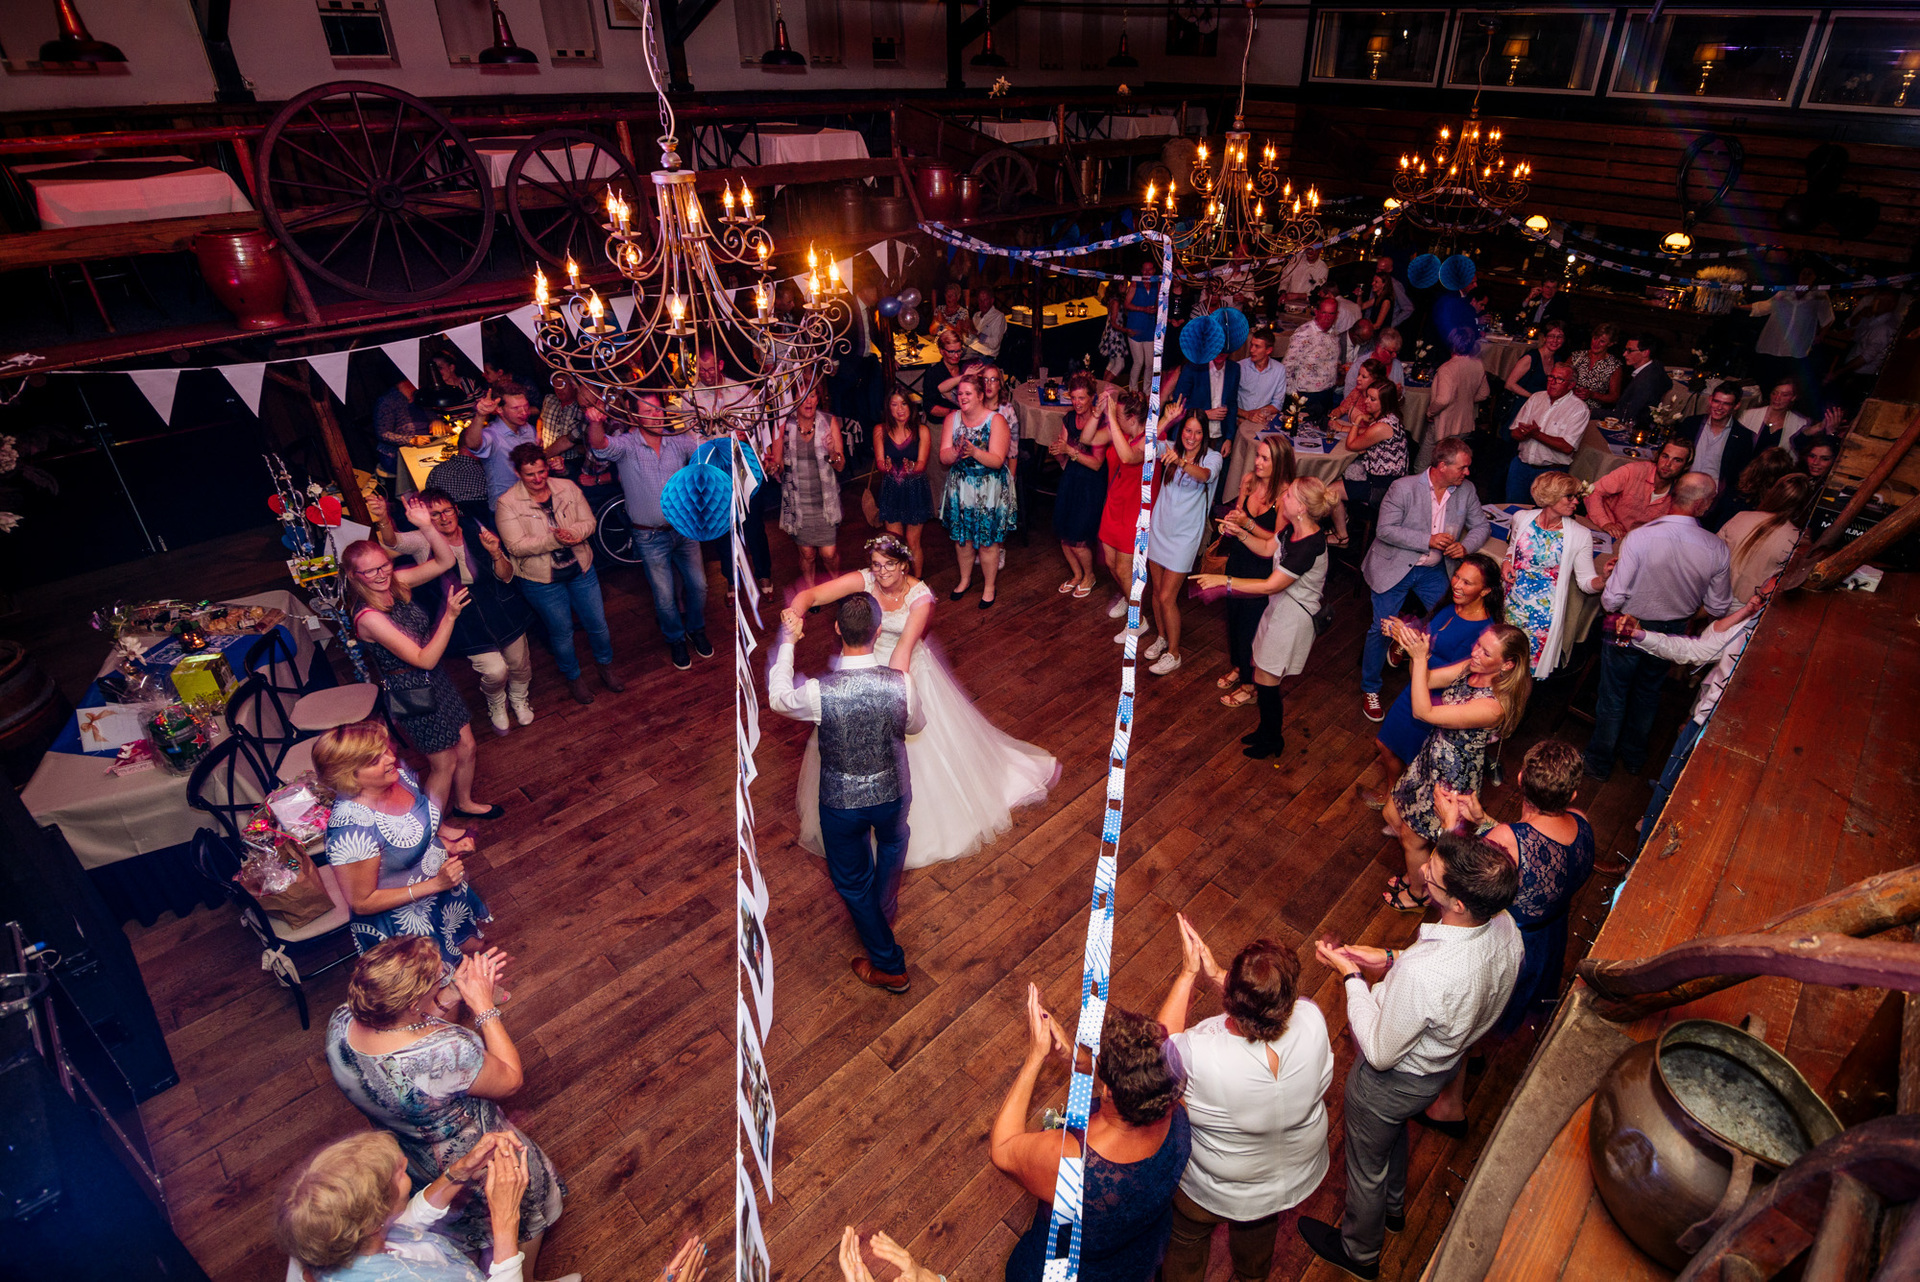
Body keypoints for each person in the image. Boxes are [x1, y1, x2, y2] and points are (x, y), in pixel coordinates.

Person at [1301, 834, 1521, 1282]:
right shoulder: (1504, 928)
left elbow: (1380, 1053)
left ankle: (1360, 1251)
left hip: (1392, 1080)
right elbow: (1450, 977)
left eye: (1433, 876)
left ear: (1458, 903)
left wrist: (1350, 977)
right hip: (1435, 1071)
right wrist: (1387, 958)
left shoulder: (1426, 975)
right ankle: (1395, 1208)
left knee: (1365, 1166)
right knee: (1390, 1134)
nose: (1423, 872)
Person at [787, 535, 1058, 870]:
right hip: (869, 669)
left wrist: (880, 701)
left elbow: (902, 653)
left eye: (889, 565)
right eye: (876, 565)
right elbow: (810, 594)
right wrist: (794, 614)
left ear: (904, 564)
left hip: (905, 677)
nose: (881, 572)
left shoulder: (921, 597)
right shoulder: (866, 580)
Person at [325, 940, 565, 1268]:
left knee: (463, 1220)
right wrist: (483, 1006)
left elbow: (403, 1032)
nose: (447, 975)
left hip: (412, 1153)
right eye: (439, 978)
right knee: (514, 1210)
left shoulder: (340, 1023)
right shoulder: (448, 1052)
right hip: (475, 1152)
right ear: (412, 1004)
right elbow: (511, 1080)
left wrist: (446, 995)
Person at [1156, 921, 1333, 1282]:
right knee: (1258, 1226)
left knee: (1186, 1235)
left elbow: (1161, 1052)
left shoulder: (1202, 1054)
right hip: (1286, 1176)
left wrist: (1189, 973)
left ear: (1230, 1003)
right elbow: (1278, 1010)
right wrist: (1220, 974)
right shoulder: (1312, 1020)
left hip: (1214, 1185)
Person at [768, 592, 925, 994]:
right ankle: (883, 910)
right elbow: (915, 726)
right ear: (876, 632)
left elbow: (778, 698)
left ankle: (889, 965)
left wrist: (788, 643)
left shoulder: (820, 691)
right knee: (893, 846)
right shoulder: (901, 683)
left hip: (840, 803)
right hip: (892, 793)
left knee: (853, 883)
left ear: (837, 629)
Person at [995, 989, 1191, 1282]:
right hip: (1138, 1254)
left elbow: (1002, 1149)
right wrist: (1081, 1065)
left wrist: (1035, 1057)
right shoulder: (1174, 1109)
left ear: (1109, 1091)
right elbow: (1102, 1123)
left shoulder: (1072, 1161)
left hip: (1074, 1269)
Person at [341, 520, 497, 821]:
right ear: (354, 576)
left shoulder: (395, 582)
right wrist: (449, 616)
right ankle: (431, 830)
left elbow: (445, 560)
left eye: (384, 565)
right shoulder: (368, 617)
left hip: (436, 680)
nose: (381, 574)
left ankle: (463, 803)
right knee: (444, 763)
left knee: (467, 747)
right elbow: (423, 659)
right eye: (370, 571)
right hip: (411, 693)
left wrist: (426, 527)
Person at [1435, 740, 1594, 1036]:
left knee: (1487, 1009)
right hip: (1550, 933)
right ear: (1572, 794)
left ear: (1521, 779)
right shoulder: (1582, 822)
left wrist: (1450, 824)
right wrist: (1482, 820)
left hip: (1511, 942)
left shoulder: (1507, 839)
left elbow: (1455, 880)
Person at [1585, 472, 1735, 780]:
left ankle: (1599, 764)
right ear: (1703, 504)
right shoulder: (1716, 548)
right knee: (1648, 692)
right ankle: (1635, 758)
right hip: (1673, 630)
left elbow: (1612, 600)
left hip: (1626, 624)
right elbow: (1719, 607)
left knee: (1614, 694)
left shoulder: (1639, 537)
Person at [1380, 620, 1531, 910]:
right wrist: (1415, 651)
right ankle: (1420, 872)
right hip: (1431, 756)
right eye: (1478, 644)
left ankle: (1418, 892)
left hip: (1453, 774)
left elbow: (1422, 711)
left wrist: (1421, 657)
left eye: (1486, 653)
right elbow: (1422, 680)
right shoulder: (1472, 667)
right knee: (1393, 812)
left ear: (1507, 665)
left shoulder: (1493, 705)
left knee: (1413, 837)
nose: (1476, 653)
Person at [315, 721, 494, 964]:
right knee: (439, 975)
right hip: (406, 919)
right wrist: (434, 885)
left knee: (469, 944)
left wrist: (445, 844)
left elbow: (414, 826)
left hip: (441, 889)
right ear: (349, 776)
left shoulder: (397, 777)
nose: (390, 758)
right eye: (374, 760)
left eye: (386, 749)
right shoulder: (352, 830)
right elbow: (362, 902)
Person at [275, 1130, 540, 1282]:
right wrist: (506, 1219)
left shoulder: (325, 1232)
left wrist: (459, 1171)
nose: (403, 1163)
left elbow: (401, 1223)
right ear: (371, 1221)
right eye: (398, 1174)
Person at [1192, 478, 1332, 759]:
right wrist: (1240, 531)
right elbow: (1270, 548)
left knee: (1267, 680)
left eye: (1289, 495)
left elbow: (1270, 584)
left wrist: (1224, 581)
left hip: (1292, 619)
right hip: (1280, 610)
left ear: (1302, 507)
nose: (1283, 497)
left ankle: (1272, 740)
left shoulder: (1309, 547)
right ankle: (1267, 732)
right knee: (1263, 675)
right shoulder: (1294, 529)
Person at [1359, 438, 1490, 722]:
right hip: (1394, 566)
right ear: (1442, 466)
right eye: (1463, 467)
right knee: (1381, 628)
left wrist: (1465, 547)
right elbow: (1385, 530)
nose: (1467, 473)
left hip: (1433, 570)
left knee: (1447, 618)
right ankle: (1370, 687)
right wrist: (1428, 540)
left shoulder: (1465, 490)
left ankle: (1411, 643)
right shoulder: (1404, 488)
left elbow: (1481, 525)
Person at [387, 488, 536, 735]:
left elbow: (507, 575)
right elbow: (393, 541)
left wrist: (495, 552)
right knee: (495, 671)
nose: (444, 518)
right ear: (426, 519)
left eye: (447, 510)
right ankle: (497, 702)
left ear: (456, 509)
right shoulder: (424, 540)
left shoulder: (476, 529)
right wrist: (383, 519)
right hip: (464, 618)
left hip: (500, 607)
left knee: (520, 664)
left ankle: (520, 698)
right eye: (435, 515)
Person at [1630, 586, 1768, 848]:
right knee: (1667, 787)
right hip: (1701, 720)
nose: (1754, 598)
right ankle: (1636, 855)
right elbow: (1699, 649)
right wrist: (1640, 634)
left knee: (1684, 797)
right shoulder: (1750, 619)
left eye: (1762, 596)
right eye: (1757, 592)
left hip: (1724, 734)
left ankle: (1636, 867)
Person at [1364, 555, 1501, 805]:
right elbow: (1430, 639)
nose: (1457, 584)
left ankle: (1403, 806)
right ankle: (1393, 795)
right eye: (1457, 576)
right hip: (1417, 684)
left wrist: (1408, 644)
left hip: (1438, 697)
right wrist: (1408, 631)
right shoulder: (1451, 606)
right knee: (1384, 743)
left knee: (1417, 761)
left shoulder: (1483, 632)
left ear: (1485, 591)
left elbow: (1451, 676)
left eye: (1468, 583)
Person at [588, 398, 712, 670]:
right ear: (636, 417)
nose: (656, 415)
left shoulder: (677, 441)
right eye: (648, 411)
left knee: (699, 585)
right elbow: (599, 445)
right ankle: (676, 639)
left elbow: (707, 450)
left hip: (685, 529)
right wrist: (595, 422)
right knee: (665, 596)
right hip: (650, 536)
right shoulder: (626, 446)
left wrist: (719, 433)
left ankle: (696, 629)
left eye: (658, 409)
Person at [494, 444, 618, 706]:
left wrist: (574, 534)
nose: (538, 479)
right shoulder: (507, 503)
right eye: (530, 475)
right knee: (561, 633)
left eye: (541, 471)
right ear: (518, 473)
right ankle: (574, 678)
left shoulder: (567, 488)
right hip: (542, 581)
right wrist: (556, 541)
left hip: (581, 569)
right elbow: (516, 546)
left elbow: (589, 521)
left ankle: (606, 667)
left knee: (599, 624)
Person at [1212, 435, 1292, 710]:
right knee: (1232, 621)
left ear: (1279, 463)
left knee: (1251, 628)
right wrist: (1230, 525)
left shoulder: (1285, 497)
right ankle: (1239, 667)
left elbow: (1276, 541)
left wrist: (1247, 525)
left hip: (1262, 569)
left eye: (1264, 458)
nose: (1257, 462)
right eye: (1257, 455)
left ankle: (1251, 685)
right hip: (1238, 559)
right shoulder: (1248, 481)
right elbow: (1238, 514)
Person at [1503, 472, 1608, 678]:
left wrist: (1605, 579)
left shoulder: (1580, 535)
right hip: (1509, 605)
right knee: (1499, 662)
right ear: (1551, 496)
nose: (1576, 502)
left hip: (1542, 617)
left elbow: (1586, 583)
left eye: (1576, 496)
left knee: (1523, 673)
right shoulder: (1521, 518)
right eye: (1570, 496)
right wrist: (1507, 561)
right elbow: (1513, 547)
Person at [1142, 415, 1222, 675]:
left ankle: (1174, 654)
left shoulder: (1213, 457)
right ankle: (1162, 638)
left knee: (1167, 596)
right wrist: (1164, 419)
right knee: (1156, 592)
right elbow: (1145, 444)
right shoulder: (1171, 448)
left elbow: (1205, 475)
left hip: (1185, 537)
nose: (1191, 437)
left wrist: (1181, 462)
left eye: (1198, 433)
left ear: (1204, 435)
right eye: (1188, 430)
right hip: (1160, 528)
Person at [939, 372, 1016, 607]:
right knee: (962, 539)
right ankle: (964, 580)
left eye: (968, 393)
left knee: (988, 542)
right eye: (960, 393)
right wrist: (955, 451)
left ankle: (989, 586)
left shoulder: (996, 420)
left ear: (980, 395)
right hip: (961, 486)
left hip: (989, 488)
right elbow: (943, 457)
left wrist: (974, 452)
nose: (962, 397)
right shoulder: (952, 419)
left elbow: (997, 460)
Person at [765, 385, 847, 594]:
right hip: (798, 501)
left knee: (828, 553)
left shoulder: (829, 422)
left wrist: (831, 452)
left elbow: (840, 465)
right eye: (803, 397)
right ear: (793, 402)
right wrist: (771, 466)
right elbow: (778, 465)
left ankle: (836, 587)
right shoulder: (784, 425)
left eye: (812, 396)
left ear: (818, 398)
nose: (809, 401)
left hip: (824, 500)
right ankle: (811, 593)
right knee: (807, 553)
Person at [1099, 388, 1157, 633]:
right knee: (1111, 564)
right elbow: (1090, 438)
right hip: (1114, 505)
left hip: (1134, 513)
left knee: (1125, 569)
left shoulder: (1151, 440)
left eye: (1120, 415)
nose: (1115, 418)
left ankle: (1138, 621)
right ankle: (1127, 595)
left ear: (1132, 418)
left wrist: (1111, 417)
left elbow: (1128, 456)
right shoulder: (1123, 432)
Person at [1332, 370, 1411, 548]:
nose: (1366, 401)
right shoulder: (1391, 419)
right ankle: (1343, 518)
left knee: (1329, 491)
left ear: (1385, 402)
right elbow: (1368, 435)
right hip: (1384, 479)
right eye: (1368, 397)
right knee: (1337, 474)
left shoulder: (1382, 426)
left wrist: (1357, 420)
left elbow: (1351, 445)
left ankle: (1342, 537)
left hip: (1382, 487)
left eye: (1372, 399)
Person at [1049, 375, 1112, 599]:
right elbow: (1063, 449)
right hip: (1072, 478)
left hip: (1091, 484)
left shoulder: (1102, 423)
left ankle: (1089, 575)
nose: (1077, 403)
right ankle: (1076, 575)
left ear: (1092, 398)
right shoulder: (1068, 419)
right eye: (1073, 398)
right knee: (1064, 532)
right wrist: (1059, 453)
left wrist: (1069, 451)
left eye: (1082, 398)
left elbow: (1096, 464)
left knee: (1078, 536)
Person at [1719, 472, 1813, 602]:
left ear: (1772, 493)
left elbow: (1712, 554)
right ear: (1805, 506)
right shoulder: (1796, 539)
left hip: (1716, 595)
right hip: (1749, 605)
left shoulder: (1741, 517)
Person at [1506, 362, 1590, 504]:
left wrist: (1535, 434)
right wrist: (1524, 433)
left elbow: (1567, 447)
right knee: (1513, 510)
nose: (1552, 382)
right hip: (1521, 466)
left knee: (1544, 516)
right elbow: (1514, 433)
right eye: (1551, 377)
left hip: (1551, 474)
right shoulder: (1536, 398)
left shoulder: (1578, 409)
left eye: (1559, 379)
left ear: (1571, 385)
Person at [1746, 263, 1834, 391]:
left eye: (1810, 273)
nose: (1806, 276)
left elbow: (1828, 318)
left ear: (1815, 276)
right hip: (1772, 344)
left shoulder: (1819, 295)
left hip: (1795, 350)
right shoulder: (1786, 291)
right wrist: (1738, 306)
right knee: (1763, 382)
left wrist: (1821, 335)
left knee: (1784, 385)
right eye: (1803, 272)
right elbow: (1764, 307)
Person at [1584, 437, 1692, 541]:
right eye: (1665, 456)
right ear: (1658, 456)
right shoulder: (1633, 471)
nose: (1668, 464)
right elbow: (1593, 491)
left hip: (1636, 543)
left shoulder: (1681, 493)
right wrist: (1605, 523)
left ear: (1685, 466)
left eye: (1677, 460)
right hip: (1602, 530)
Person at [874, 391, 933, 579]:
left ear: (910, 406)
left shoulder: (922, 430)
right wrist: (886, 467)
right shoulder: (880, 430)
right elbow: (880, 463)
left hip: (915, 489)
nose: (900, 409)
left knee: (913, 541)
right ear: (888, 408)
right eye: (894, 405)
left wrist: (913, 467)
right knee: (895, 544)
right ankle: (899, 584)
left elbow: (923, 464)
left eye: (904, 404)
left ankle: (917, 582)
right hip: (892, 489)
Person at [1684, 385, 1759, 531]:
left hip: (1713, 503)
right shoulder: (1691, 424)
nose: (1719, 407)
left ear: (1736, 406)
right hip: (1683, 493)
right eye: (1717, 401)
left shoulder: (1743, 437)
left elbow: (1739, 476)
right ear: (1710, 400)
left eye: (1726, 403)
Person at [462, 386, 541, 511]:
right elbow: (472, 444)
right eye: (516, 408)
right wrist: (480, 415)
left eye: (525, 406)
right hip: (506, 508)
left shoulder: (528, 429)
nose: (524, 412)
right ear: (499, 409)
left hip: (532, 503)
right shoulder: (493, 434)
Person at [1172, 348, 1241, 461]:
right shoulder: (1193, 367)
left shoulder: (1234, 369)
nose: (1220, 353)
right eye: (1217, 348)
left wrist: (1229, 438)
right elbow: (1178, 403)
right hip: (1193, 435)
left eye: (1225, 349)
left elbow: (1232, 404)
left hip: (1219, 436)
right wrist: (1203, 414)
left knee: (1213, 474)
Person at [1283, 294, 1342, 419]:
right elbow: (1287, 365)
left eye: (1331, 314)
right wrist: (1293, 396)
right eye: (1324, 313)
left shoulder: (1334, 333)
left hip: (1327, 394)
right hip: (1306, 395)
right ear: (1316, 312)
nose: (1327, 317)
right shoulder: (1304, 333)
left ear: (1336, 315)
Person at [1501, 321, 1566, 433]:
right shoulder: (1531, 357)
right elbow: (1509, 384)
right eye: (1551, 336)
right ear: (1544, 338)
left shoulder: (1558, 360)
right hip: (1521, 408)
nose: (1555, 340)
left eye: (1559, 337)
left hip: (1541, 411)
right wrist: (1534, 397)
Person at [1427, 328, 1489, 445]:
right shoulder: (1478, 365)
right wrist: (1464, 398)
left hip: (1444, 426)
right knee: (1452, 461)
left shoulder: (1447, 368)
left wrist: (1430, 412)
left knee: (1423, 462)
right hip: (1465, 425)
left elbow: (1442, 400)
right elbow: (1484, 394)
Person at [371, 379, 429, 488]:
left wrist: (436, 421)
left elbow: (430, 412)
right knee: (420, 470)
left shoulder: (419, 395)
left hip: (423, 446)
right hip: (394, 454)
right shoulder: (387, 402)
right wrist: (411, 440)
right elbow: (382, 433)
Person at [1612, 333, 1673, 430]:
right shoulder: (1655, 366)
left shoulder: (1645, 381)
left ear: (1645, 353)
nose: (1624, 354)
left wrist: (1592, 411)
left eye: (1630, 351)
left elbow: (1627, 415)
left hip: (1635, 426)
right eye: (1625, 350)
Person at [1737, 377, 1813, 454]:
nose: (1777, 398)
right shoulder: (1749, 415)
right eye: (1774, 393)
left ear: (1793, 397)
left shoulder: (1800, 424)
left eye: (1784, 395)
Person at [1123, 259, 1161, 393]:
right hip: (1135, 327)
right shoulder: (1135, 283)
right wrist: (1142, 309)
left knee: (1150, 364)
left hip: (1150, 328)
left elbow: (1159, 304)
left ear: (1154, 271)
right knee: (1138, 362)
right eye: (1144, 270)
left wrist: (1157, 309)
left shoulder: (1158, 284)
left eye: (1149, 270)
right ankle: (1132, 390)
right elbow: (1126, 304)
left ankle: (1146, 392)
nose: (1146, 272)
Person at [1568, 323, 1623, 410]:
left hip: (1591, 411)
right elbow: (1560, 379)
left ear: (1610, 344)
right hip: (1567, 404)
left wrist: (1593, 395)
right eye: (1595, 338)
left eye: (1602, 341)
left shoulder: (1614, 365)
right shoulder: (1576, 357)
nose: (1596, 343)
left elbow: (1614, 397)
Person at [925, 329, 970, 422]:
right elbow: (930, 407)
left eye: (959, 351)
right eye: (951, 352)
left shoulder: (965, 367)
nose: (956, 356)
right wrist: (954, 413)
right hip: (941, 423)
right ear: (941, 351)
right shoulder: (933, 373)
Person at [969, 285, 1007, 360]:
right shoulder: (976, 315)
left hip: (986, 355)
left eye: (985, 300)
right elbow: (970, 337)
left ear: (992, 300)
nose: (982, 303)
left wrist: (977, 334)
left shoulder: (998, 317)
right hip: (971, 349)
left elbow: (994, 344)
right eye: (980, 300)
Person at [1101, 292, 1131, 382]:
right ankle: (1105, 388)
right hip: (1115, 336)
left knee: (1112, 363)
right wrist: (1127, 330)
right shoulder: (1116, 302)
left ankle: (1103, 386)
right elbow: (1114, 323)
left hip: (1111, 333)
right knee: (1120, 364)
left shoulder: (1112, 298)